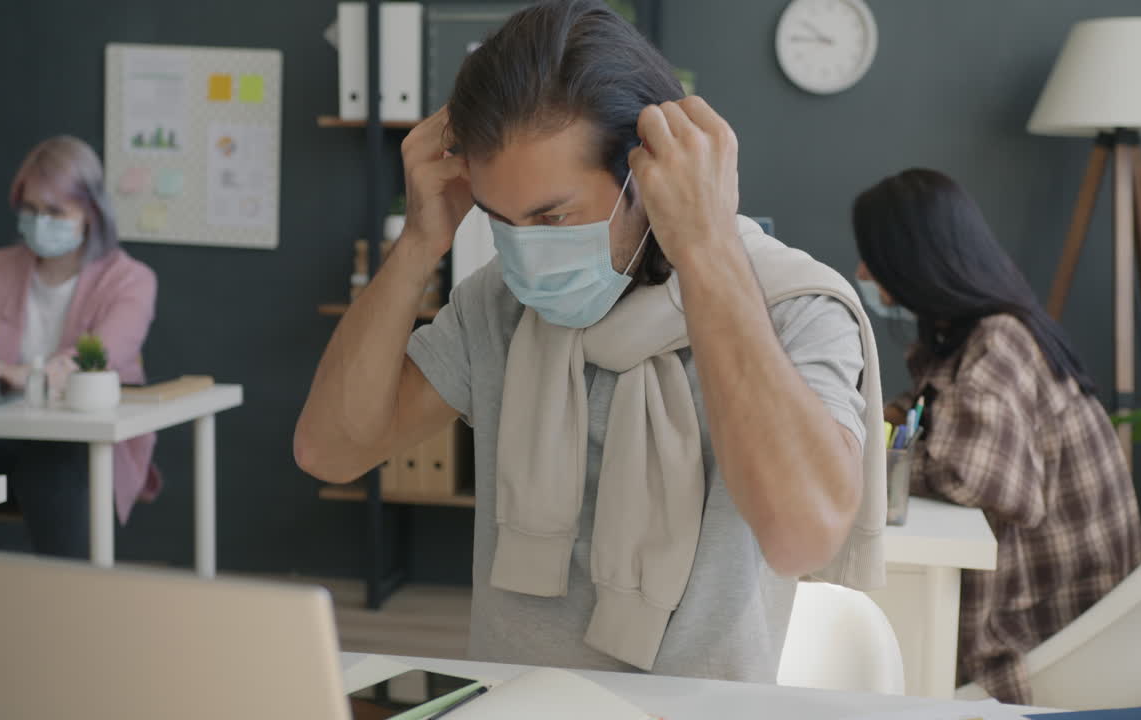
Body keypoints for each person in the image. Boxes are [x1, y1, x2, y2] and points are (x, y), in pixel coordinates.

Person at [297, 0, 888, 681]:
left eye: (554, 217)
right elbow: (330, 450)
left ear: (649, 174)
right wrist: (419, 244)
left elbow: (801, 535)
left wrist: (706, 247)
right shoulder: (500, 301)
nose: (527, 255)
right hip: (516, 704)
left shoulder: (793, 307)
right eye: (501, 222)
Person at [853, 168, 1141, 704]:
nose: (863, 270)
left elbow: (974, 478)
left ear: (914, 259)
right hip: (1065, 599)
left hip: (1054, 623)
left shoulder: (999, 339)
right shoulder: (980, 332)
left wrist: (861, 457)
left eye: (874, 255)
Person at [0, 135, 160, 558]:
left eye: (55, 211)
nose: (41, 222)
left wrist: (26, 374)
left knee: (51, 471)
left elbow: (103, 357)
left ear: (90, 212)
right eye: (31, 210)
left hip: (79, 445)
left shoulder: (131, 280)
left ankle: (73, 610)